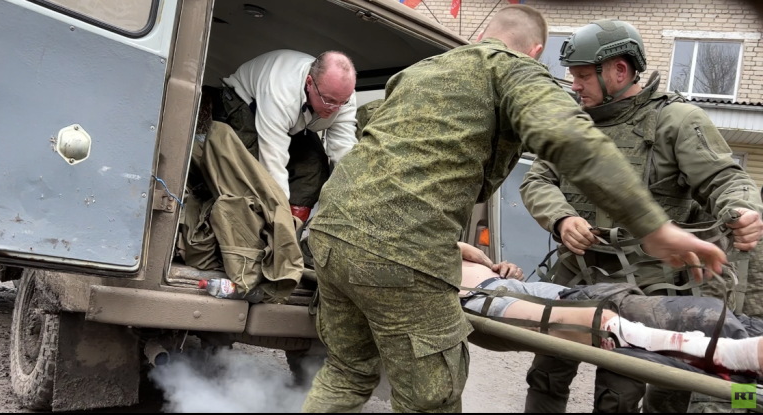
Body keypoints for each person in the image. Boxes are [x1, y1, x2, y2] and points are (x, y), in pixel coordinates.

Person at [301, 5, 727, 413]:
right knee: (431, 398)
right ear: (536, 52)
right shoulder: (512, 68)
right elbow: (570, 138)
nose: (574, 84)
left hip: (332, 233)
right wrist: (653, 227)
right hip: (401, 251)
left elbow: (374, 131)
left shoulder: (421, 71)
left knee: (347, 373)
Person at [519, 19, 763, 413]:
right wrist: (562, 219)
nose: (574, 85)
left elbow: (725, 179)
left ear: (619, 70)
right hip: (576, 276)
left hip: (645, 290)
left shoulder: (676, 121)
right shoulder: (572, 122)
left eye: (583, 75)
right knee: (546, 373)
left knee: (619, 394)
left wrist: (744, 212)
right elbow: (537, 180)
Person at [457, 246, 763, 379]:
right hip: (474, 300)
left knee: (618, 304)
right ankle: (739, 358)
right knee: (601, 328)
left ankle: (744, 355)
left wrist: (496, 265)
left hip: (501, 285)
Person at [207, 49, 359, 223]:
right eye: (329, 101)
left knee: (313, 168)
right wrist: (279, 214)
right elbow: (272, 161)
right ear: (309, 82)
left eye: (342, 102)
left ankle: (289, 236)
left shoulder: (342, 96)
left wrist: (355, 196)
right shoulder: (281, 91)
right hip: (245, 102)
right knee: (249, 173)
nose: (335, 108)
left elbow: (343, 148)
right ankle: (261, 230)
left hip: (294, 122)